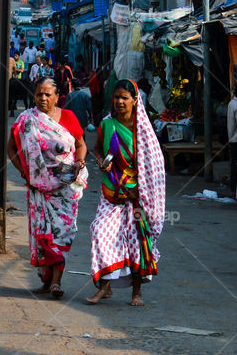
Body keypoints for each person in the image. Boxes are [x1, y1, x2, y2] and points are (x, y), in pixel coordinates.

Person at [7, 78, 88, 299]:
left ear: (57, 96)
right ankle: (48, 282)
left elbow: (80, 144)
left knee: (62, 235)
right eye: (39, 94)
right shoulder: (27, 120)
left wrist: (79, 163)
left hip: (65, 189)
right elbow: (11, 148)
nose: (43, 98)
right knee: (42, 234)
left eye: (47, 94)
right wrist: (25, 172)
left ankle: (56, 280)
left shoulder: (69, 117)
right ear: (34, 95)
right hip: (39, 189)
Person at [87, 79, 166, 307]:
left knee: (137, 241)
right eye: (117, 97)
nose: (120, 101)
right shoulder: (107, 124)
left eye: (125, 97)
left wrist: (139, 191)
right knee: (99, 231)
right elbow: (97, 149)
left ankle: (137, 292)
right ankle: (105, 286)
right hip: (112, 191)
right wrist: (102, 162)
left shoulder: (143, 130)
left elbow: (153, 164)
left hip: (138, 195)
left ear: (134, 100)